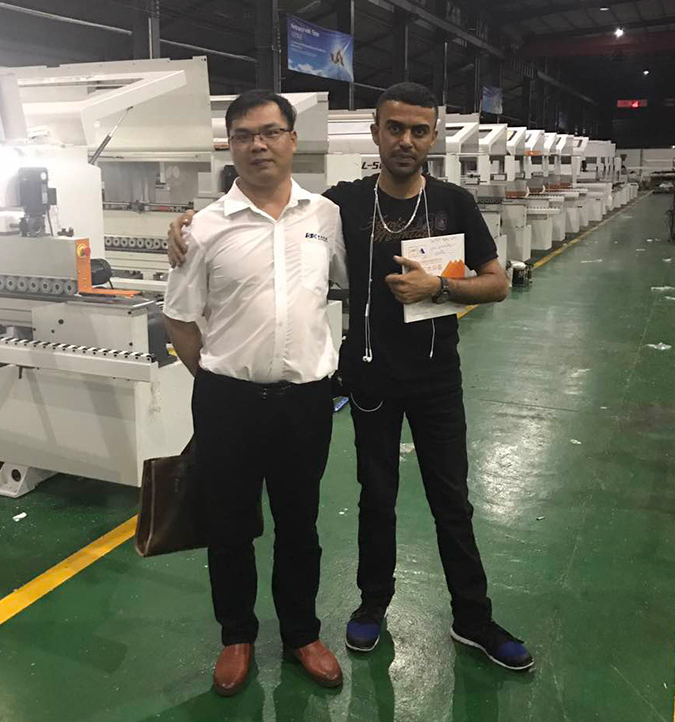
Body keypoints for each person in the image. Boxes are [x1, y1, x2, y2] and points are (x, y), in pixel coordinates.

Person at [168, 82, 534, 672]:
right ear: (375, 133)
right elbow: (203, 290)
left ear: (433, 137)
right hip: (367, 380)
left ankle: (471, 618)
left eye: (418, 130)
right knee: (370, 500)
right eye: (395, 128)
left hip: (431, 378)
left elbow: (496, 282)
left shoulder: (444, 203)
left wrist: (440, 286)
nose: (406, 140)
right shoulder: (342, 205)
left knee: (448, 503)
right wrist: (187, 227)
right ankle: (362, 608)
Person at [163, 89, 347, 697]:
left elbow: (352, 283)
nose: (258, 145)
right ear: (231, 146)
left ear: (293, 139)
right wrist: (218, 380)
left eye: (270, 132)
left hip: (307, 403)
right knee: (229, 526)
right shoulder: (203, 228)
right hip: (229, 402)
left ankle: (302, 635)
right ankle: (236, 637)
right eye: (244, 135)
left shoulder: (326, 216)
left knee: (300, 523)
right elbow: (180, 319)